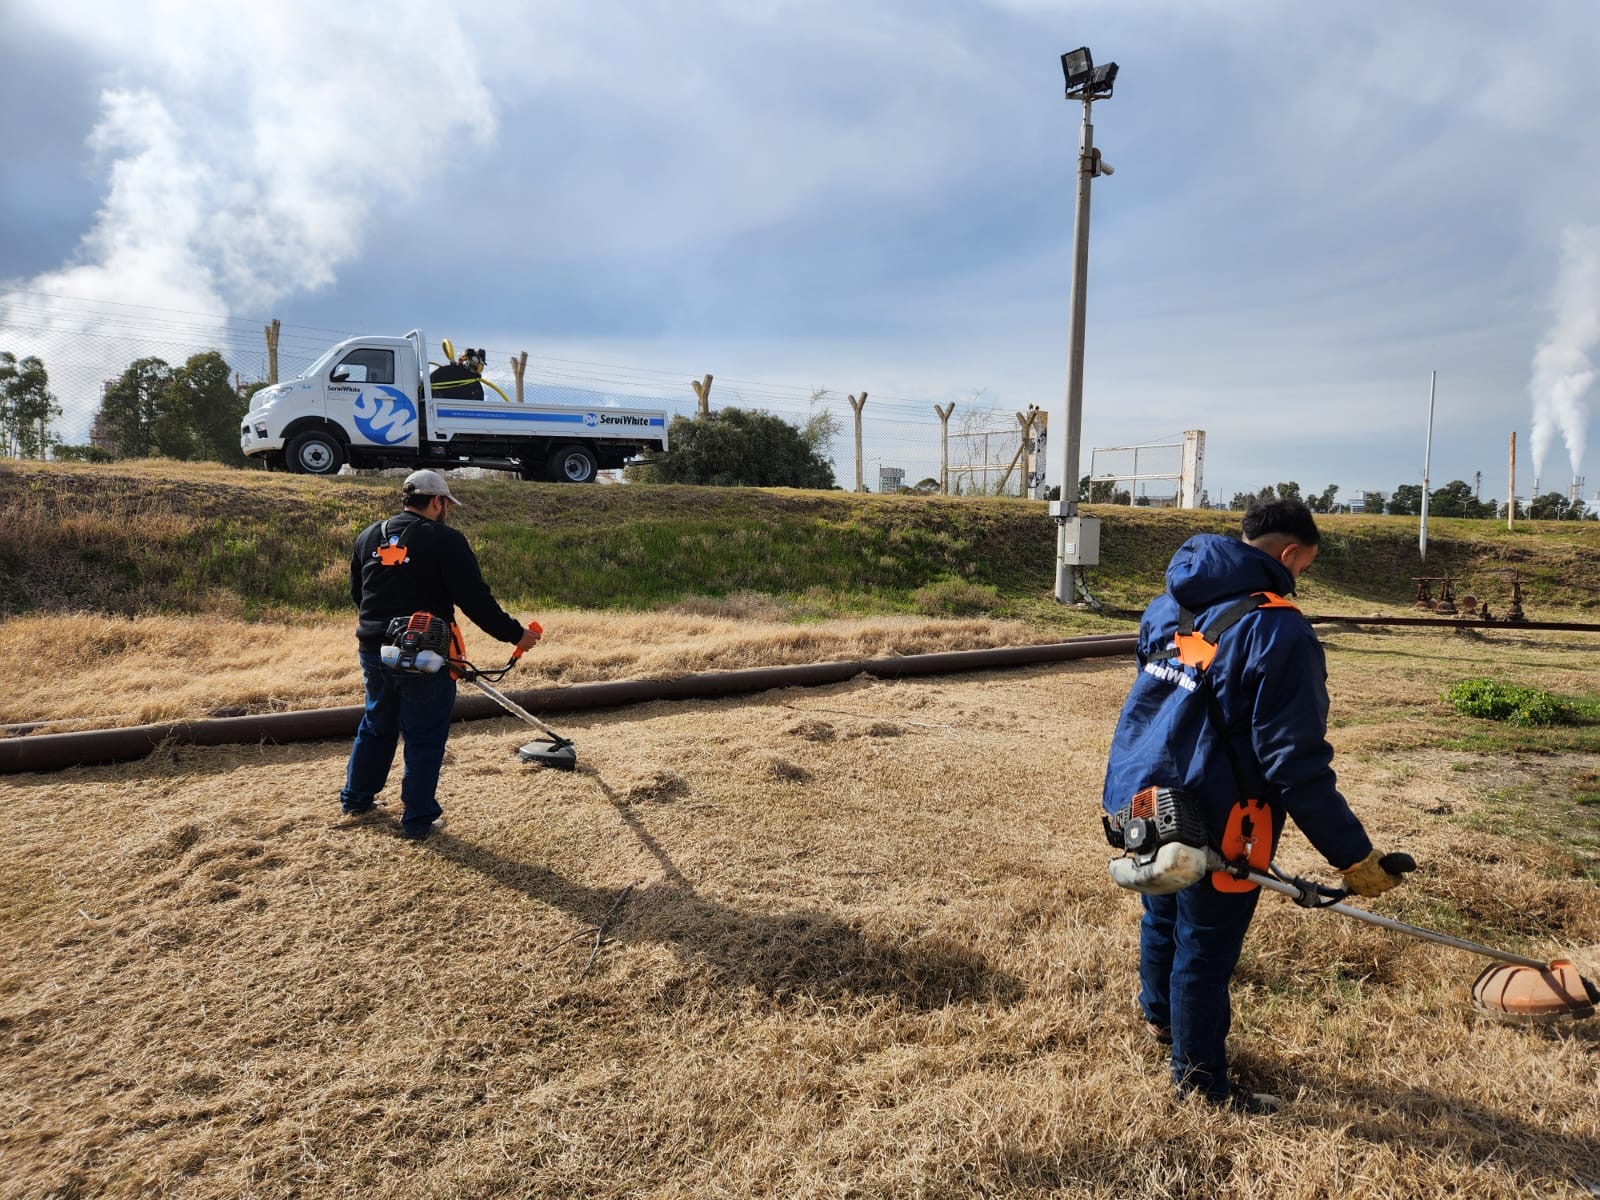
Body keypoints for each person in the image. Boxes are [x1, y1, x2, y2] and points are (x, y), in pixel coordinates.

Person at [1101, 498, 1409, 1112]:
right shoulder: (1280, 628)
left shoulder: (1168, 606)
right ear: (1291, 555)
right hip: (1226, 813)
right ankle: (1200, 1085)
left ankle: (1159, 1021)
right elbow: (1293, 764)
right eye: (1306, 567)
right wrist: (1353, 857)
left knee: (1162, 909)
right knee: (1206, 949)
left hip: (1145, 791)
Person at [340, 469, 540, 839]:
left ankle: (356, 799)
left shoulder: (369, 535)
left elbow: (359, 593)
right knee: (424, 736)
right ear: (438, 501)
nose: (447, 510)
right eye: (446, 504)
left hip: (373, 650)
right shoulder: (444, 540)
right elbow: (475, 601)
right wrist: (516, 634)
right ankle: (417, 820)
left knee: (376, 724)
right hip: (425, 655)